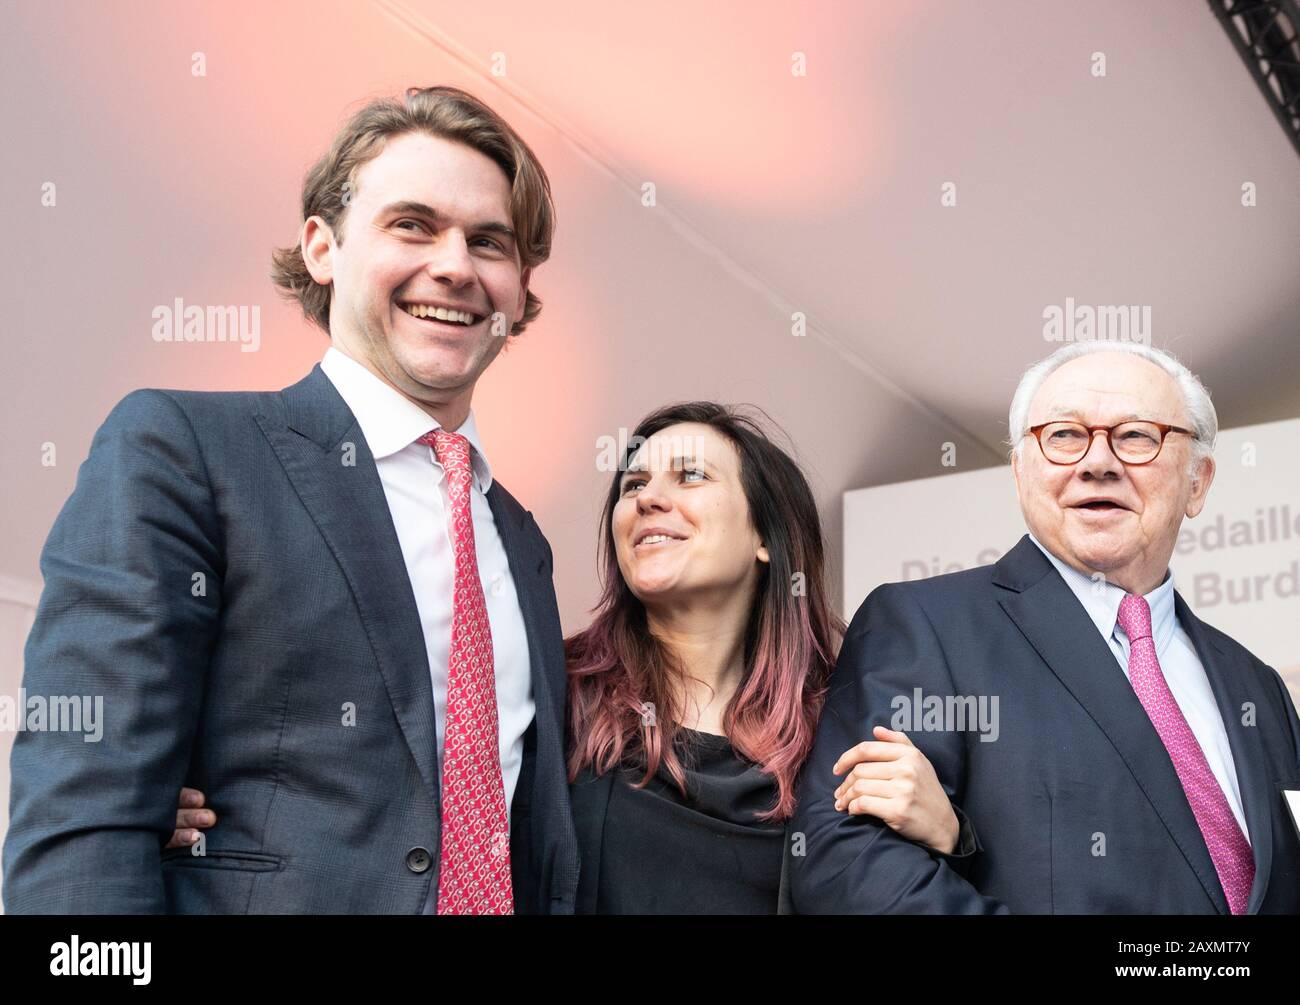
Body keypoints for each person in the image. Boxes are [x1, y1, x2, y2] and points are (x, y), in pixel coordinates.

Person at [4, 86, 577, 914]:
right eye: (412, 224)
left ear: (519, 290)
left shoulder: (521, 540)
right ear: (323, 247)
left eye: (489, 241)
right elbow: (80, 826)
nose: (455, 265)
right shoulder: (184, 449)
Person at [172, 401, 978, 913]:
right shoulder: (544, 687)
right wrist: (201, 813)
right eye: (631, 484)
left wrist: (954, 839)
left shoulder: (844, 718)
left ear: (769, 538)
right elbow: (377, 782)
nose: (647, 497)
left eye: (688, 476)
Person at [790, 342, 1300, 914]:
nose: (1098, 462)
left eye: (1136, 436)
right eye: (1063, 436)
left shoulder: (1260, 689)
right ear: (1020, 471)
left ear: (1198, 481)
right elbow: (848, 867)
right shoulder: (926, 627)